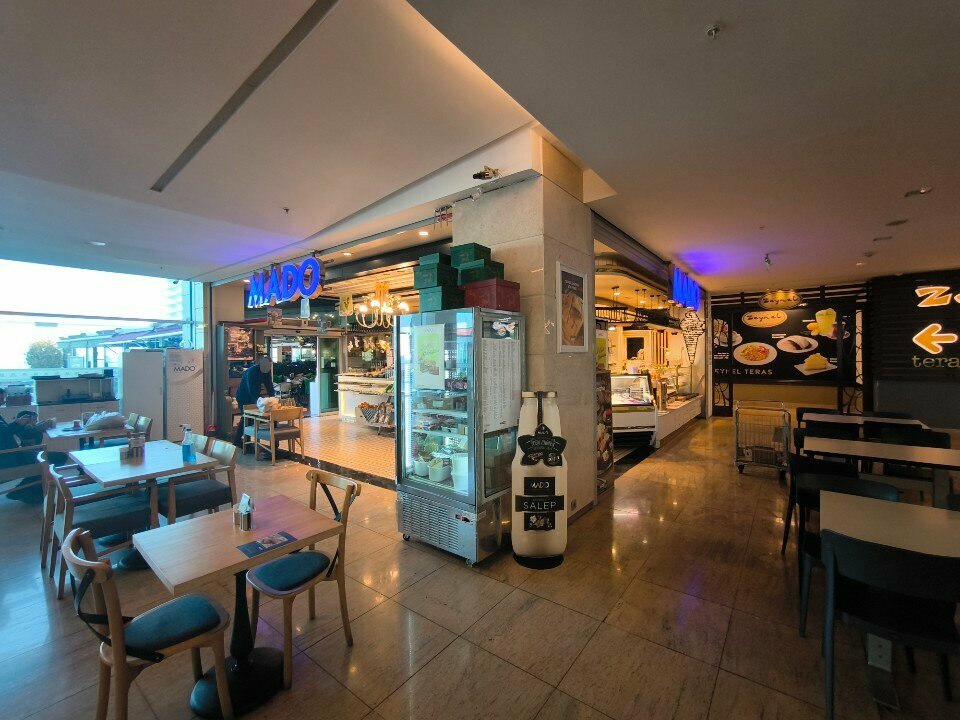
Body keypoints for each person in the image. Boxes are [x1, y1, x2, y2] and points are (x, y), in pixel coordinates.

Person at [233, 356, 275, 447]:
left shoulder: (266, 371)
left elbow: (269, 384)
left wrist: (273, 398)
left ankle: (246, 442)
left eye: (270, 365)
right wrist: (259, 401)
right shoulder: (252, 371)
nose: (269, 367)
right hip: (243, 396)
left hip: (253, 395)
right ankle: (237, 441)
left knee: (251, 419)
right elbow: (251, 389)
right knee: (246, 418)